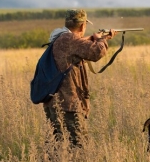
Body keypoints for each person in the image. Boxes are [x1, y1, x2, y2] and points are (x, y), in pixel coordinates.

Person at [43, 9, 116, 148]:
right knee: (79, 148)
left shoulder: (60, 37)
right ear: (82, 25)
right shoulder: (70, 39)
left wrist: (96, 39)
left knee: (57, 147)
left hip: (53, 102)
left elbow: (80, 47)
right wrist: (102, 40)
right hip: (68, 105)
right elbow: (96, 53)